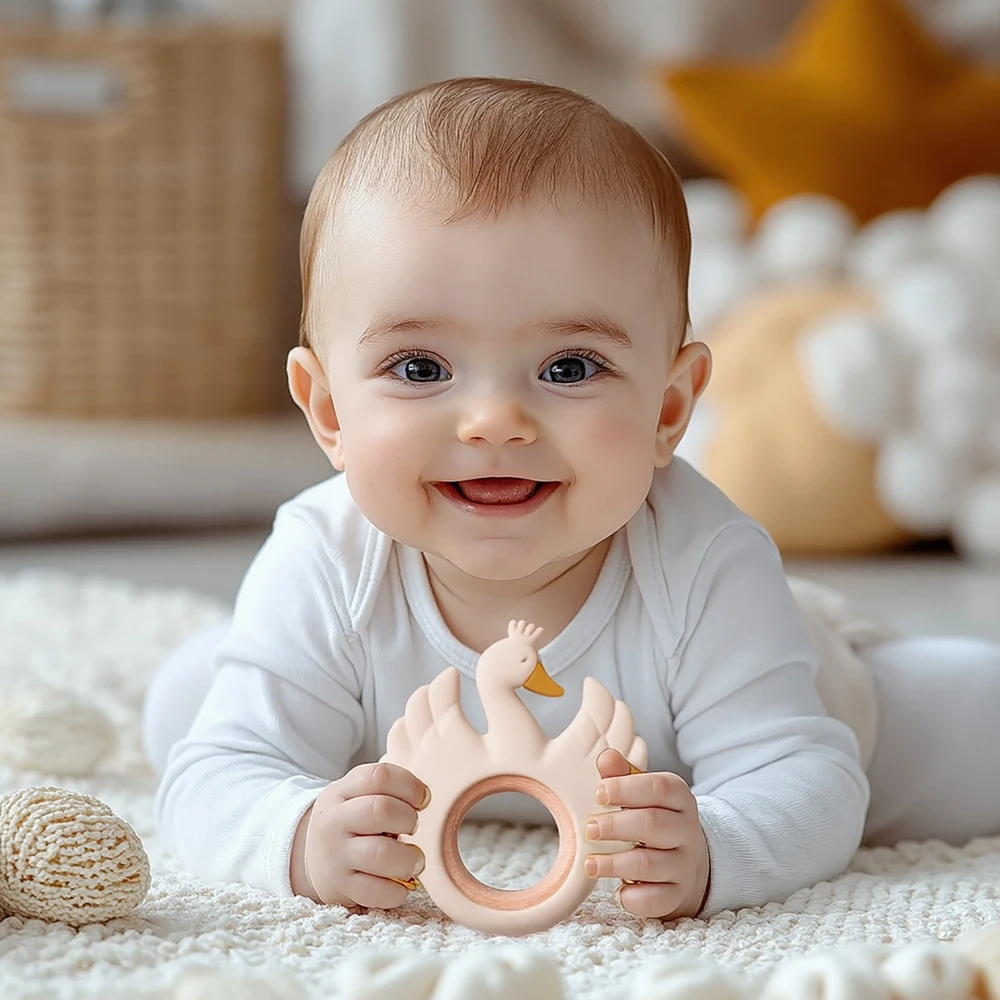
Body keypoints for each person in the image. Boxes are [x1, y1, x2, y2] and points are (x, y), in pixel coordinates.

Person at [145, 77, 1000, 923]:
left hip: (805, 694)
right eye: (420, 368)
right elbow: (214, 779)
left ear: (668, 410)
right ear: (329, 411)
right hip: (388, 737)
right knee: (187, 706)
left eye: (569, 368)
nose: (495, 422)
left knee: (970, 725)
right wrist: (297, 836)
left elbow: (807, 781)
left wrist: (719, 843)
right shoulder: (324, 555)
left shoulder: (704, 559)